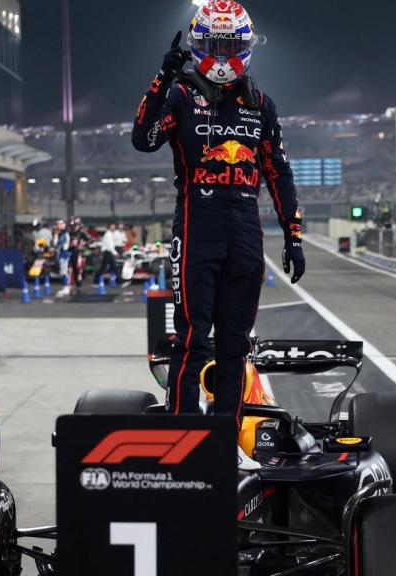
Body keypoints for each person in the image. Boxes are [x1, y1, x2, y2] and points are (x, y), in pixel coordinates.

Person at [131, 0, 304, 471]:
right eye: (215, 44)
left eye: (232, 45)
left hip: (247, 231)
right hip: (197, 225)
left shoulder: (260, 104)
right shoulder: (181, 95)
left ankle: (225, 440)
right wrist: (162, 77)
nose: (224, 55)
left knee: (236, 342)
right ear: (197, 45)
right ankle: (185, 440)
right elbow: (142, 139)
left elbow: (279, 172)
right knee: (191, 340)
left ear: (247, 47)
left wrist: (293, 234)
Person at [66, 216, 91, 293]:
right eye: (71, 225)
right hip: (71, 252)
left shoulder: (82, 232)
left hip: (80, 253)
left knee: (78, 269)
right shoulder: (70, 233)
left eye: (74, 225)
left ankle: (79, 285)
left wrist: (83, 244)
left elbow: (90, 240)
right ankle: (71, 285)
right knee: (71, 269)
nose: (72, 227)